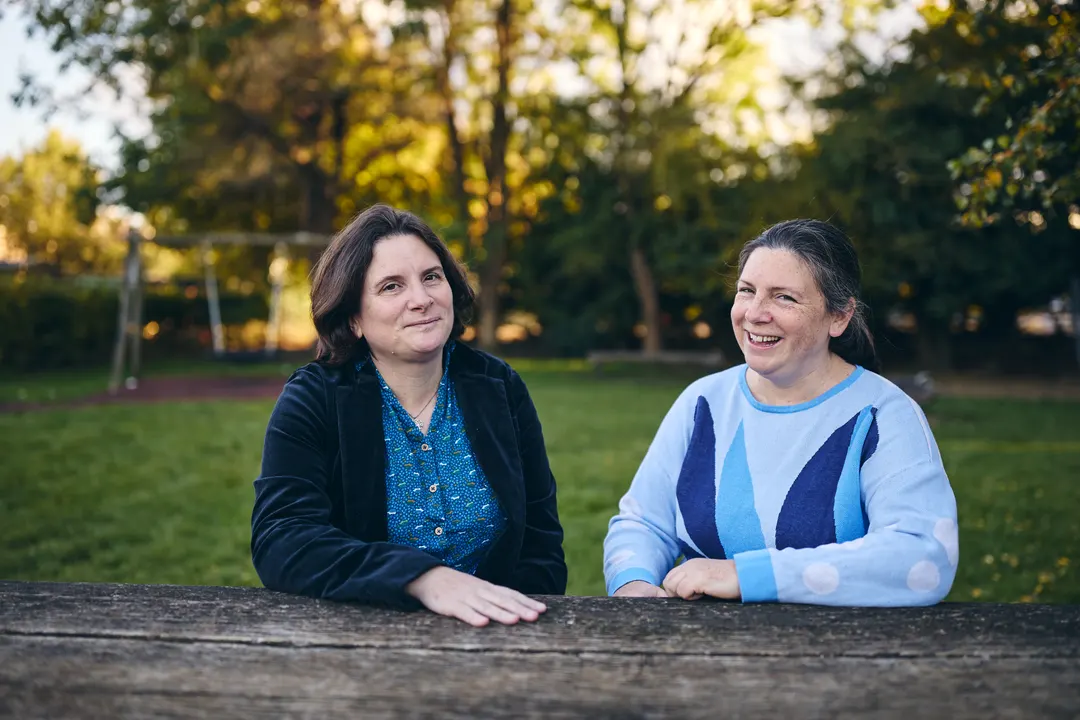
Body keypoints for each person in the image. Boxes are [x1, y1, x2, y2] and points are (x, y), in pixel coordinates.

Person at [603, 219, 958, 606]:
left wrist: (748, 575)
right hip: (700, 654)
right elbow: (642, 521)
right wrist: (633, 583)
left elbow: (922, 556)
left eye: (783, 297)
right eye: (746, 291)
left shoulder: (884, 414)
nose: (755, 313)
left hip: (841, 655)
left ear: (839, 317)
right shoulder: (703, 401)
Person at [252, 204, 566, 626]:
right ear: (354, 319)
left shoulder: (499, 387)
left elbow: (541, 540)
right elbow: (282, 539)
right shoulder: (314, 399)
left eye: (431, 277)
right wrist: (422, 579)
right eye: (391, 287)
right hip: (361, 634)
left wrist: (513, 622)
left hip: (498, 635)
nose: (421, 299)